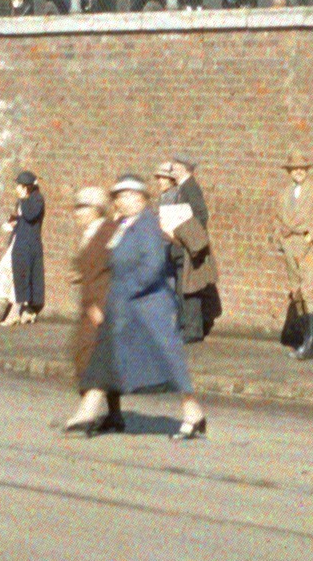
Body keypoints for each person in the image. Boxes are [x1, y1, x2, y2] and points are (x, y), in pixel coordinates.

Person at [67, 175, 208, 440]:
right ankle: (88, 411)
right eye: (120, 196)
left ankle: (193, 412)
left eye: (129, 195)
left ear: (142, 198)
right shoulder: (124, 225)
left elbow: (152, 267)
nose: (124, 200)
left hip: (149, 307)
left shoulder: (147, 225)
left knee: (169, 362)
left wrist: (124, 291)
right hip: (125, 308)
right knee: (104, 356)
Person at [61, 185, 124, 434]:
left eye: (82, 207)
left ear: (96, 209)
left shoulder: (108, 231)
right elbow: (91, 264)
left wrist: (103, 306)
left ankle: (87, 413)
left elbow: (118, 270)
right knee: (93, 356)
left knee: (88, 356)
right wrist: (79, 272)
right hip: (90, 306)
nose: (77, 213)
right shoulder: (91, 232)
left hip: (100, 308)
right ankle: (114, 415)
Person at [274, 147, 313, 361]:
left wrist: (312, 237)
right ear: (288, 171)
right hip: (290, 247)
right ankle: (304, 339)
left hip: (309, 248)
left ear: (307, 170)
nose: (298, 171)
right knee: (297, 293)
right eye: (294, 168)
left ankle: (311, 344)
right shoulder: (284, 194)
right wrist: (280, 240)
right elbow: (277, 220)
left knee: (310, 291)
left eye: (302, 168)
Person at [154, 162, 218, 344]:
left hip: (185, 246)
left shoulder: (185, 190)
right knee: (182, 288)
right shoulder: (176, 192)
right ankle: (185, 326)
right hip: (177, 245)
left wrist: (188, 237)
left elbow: (199, 216)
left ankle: (192, 329)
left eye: (162, 177)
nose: (159, 181)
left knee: (189, 288)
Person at [7, 169, 46, 324]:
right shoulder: (21, 201)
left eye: (19, 185)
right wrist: (11, 222)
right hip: (20, 241)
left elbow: (30, 215)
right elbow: (20, 217)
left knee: (29, 275)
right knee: (19, 274)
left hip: (30, 243)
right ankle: (21, 310)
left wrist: (23, 200)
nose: (16, 188)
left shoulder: (37, 199)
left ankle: (26, 310)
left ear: (25, 187)